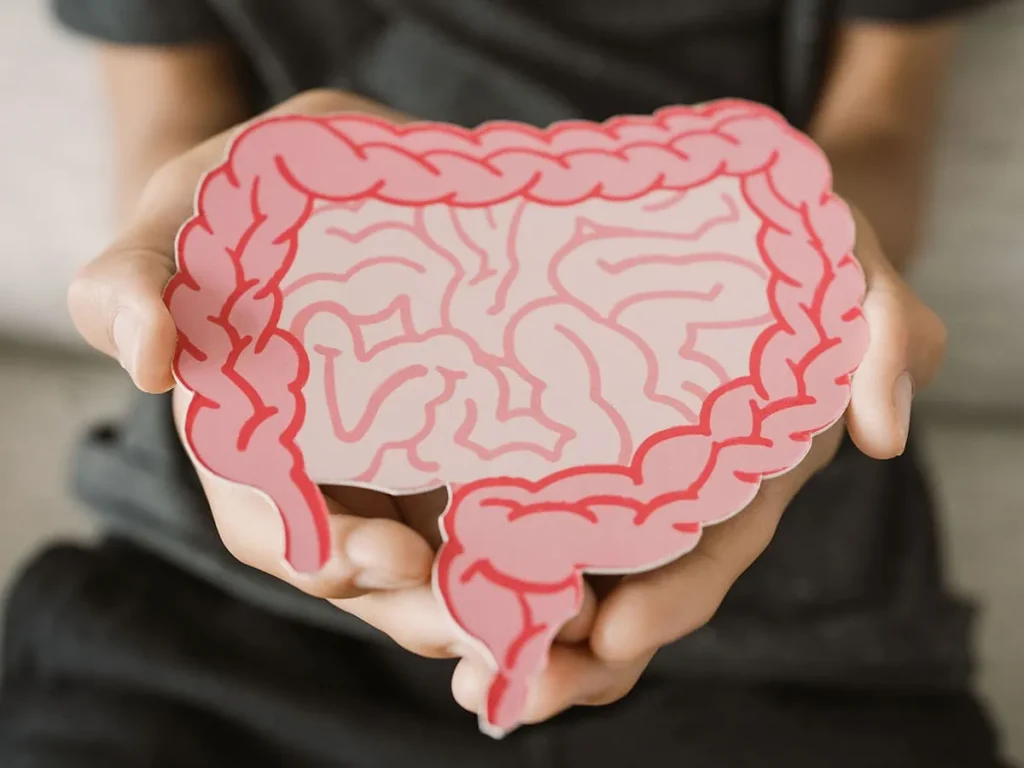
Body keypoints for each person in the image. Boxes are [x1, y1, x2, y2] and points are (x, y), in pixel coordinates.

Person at [0, 0, 1011, 765]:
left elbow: (877, 127)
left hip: (795, 625)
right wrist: (204, 230)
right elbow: (174, 128)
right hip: (218, 599)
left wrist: (816, 272)